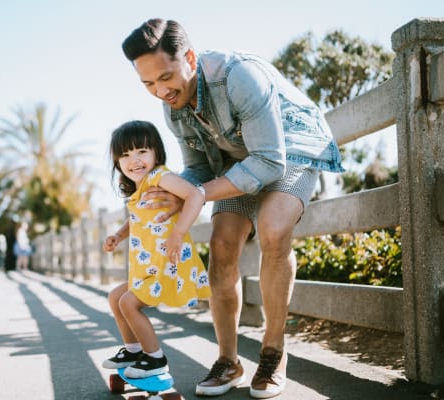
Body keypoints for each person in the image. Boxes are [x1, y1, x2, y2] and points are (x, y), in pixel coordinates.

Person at [122, 19, 344, 398]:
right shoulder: (172, 107)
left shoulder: (239, 76)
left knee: (273, 229)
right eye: (148, 84)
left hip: (291, 152)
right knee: (222, 245)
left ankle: (273, 352)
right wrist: (181, 191)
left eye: (166, 77)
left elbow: (270, 163)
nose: (160, 91)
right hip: (236, 164)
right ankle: (229, 360)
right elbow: (200, 169)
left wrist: (194, 194)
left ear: (189, 58)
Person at [101, 120, 211, 379]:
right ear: (117, 162)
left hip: (167, 262)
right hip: (149, 266)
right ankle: (132, 350)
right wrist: (118, 235)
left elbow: (195, 195)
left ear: (156, 153)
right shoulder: (140, 188)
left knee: (129, 303)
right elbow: (138, 217)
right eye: (125, 155)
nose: (134, 160)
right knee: (116, 298)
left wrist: (178, 232)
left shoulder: (160, 176)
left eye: (141, 151)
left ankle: (155, 358)